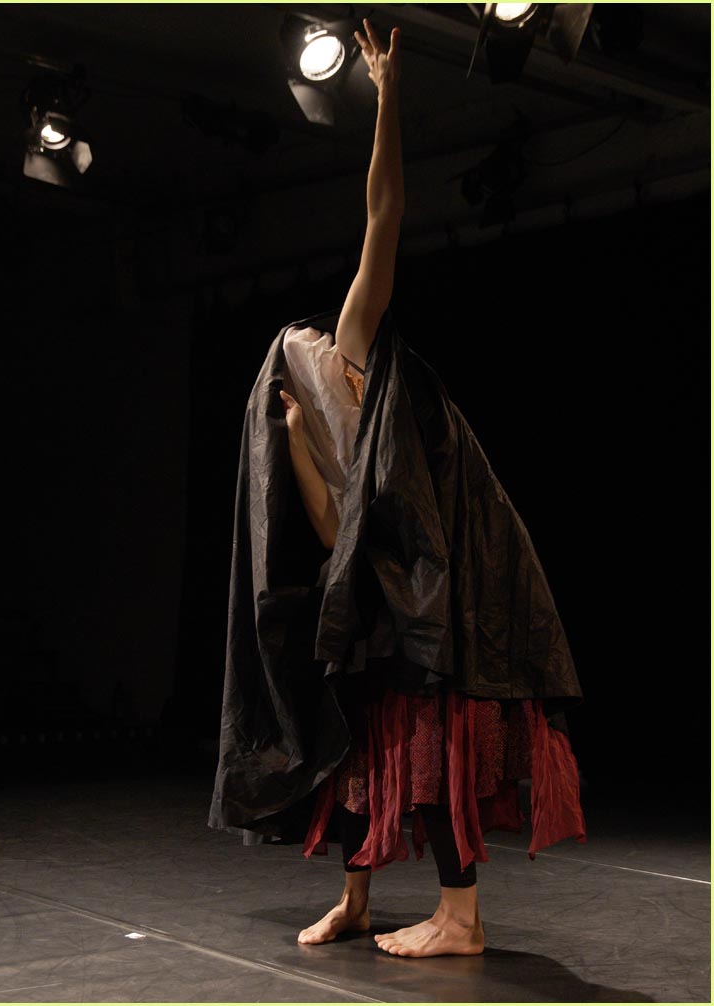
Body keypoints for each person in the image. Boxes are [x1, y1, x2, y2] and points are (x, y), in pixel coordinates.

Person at [279, 19, 486, 958]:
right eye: (305, 350)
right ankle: (358, 903)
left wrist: (388, 96)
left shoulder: (361, 357)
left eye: (318, 339)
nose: (320, 341)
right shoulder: (322, 429)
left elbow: (384, 216)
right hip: (372, 600)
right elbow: (333, 534)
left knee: (431, 744)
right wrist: (295, 441)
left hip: (426, 589)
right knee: (361, 753)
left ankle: (462, 917)